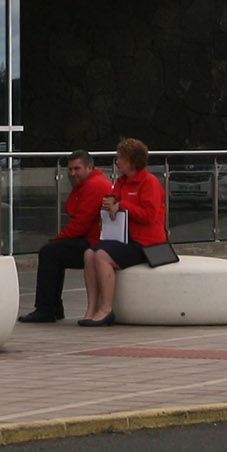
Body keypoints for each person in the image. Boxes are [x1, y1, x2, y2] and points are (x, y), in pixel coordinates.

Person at [78, 138, 166, 326]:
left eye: (121, 158)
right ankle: (91, 307)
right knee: (88, 253)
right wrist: (109, 204)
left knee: (102, 255)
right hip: (123, 238)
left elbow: (149, 216)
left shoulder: (149, 182)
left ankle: (106, 308)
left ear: (132, 160)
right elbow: (115, 203)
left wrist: (122, 205)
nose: (117, 161)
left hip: (146, 243)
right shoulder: (121, 182)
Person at [20, 148, 114, 323]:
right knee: (54, 251)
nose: (72, 173)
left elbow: (81, 222)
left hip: (94, 242)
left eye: (77, 169)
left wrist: (59, 239)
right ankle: (52, 307)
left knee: (50, 252)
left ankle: (46, 308)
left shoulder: (94, 185)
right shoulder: (88, 184)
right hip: (92, 239)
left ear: (89, 167)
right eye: (70, 169)